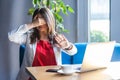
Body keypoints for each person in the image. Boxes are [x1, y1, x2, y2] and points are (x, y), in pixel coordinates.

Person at [8, 7, 77, 80]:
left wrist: (67, 46)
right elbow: (11, 36)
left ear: (48, 20)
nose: (39, 22)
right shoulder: (29, 37)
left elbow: (74, 51)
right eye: (37, 19)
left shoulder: (56, 38)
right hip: (31, 78)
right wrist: (32, 24)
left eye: (42, 19)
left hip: (52, 78)